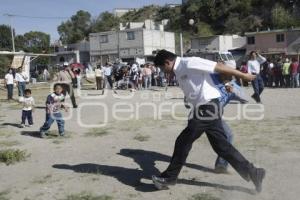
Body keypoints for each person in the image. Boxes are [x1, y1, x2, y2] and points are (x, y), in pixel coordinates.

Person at [151, 50, 266, 193]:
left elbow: (218, 66)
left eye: (163, 68)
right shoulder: (178, 70)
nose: (163, 71)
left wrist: (243, 75)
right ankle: (254, 173)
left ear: (168, 62)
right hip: (204, 108)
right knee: (222, 147)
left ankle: (170, 177)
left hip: (208, 107)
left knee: (183, 141)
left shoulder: (189, 62)